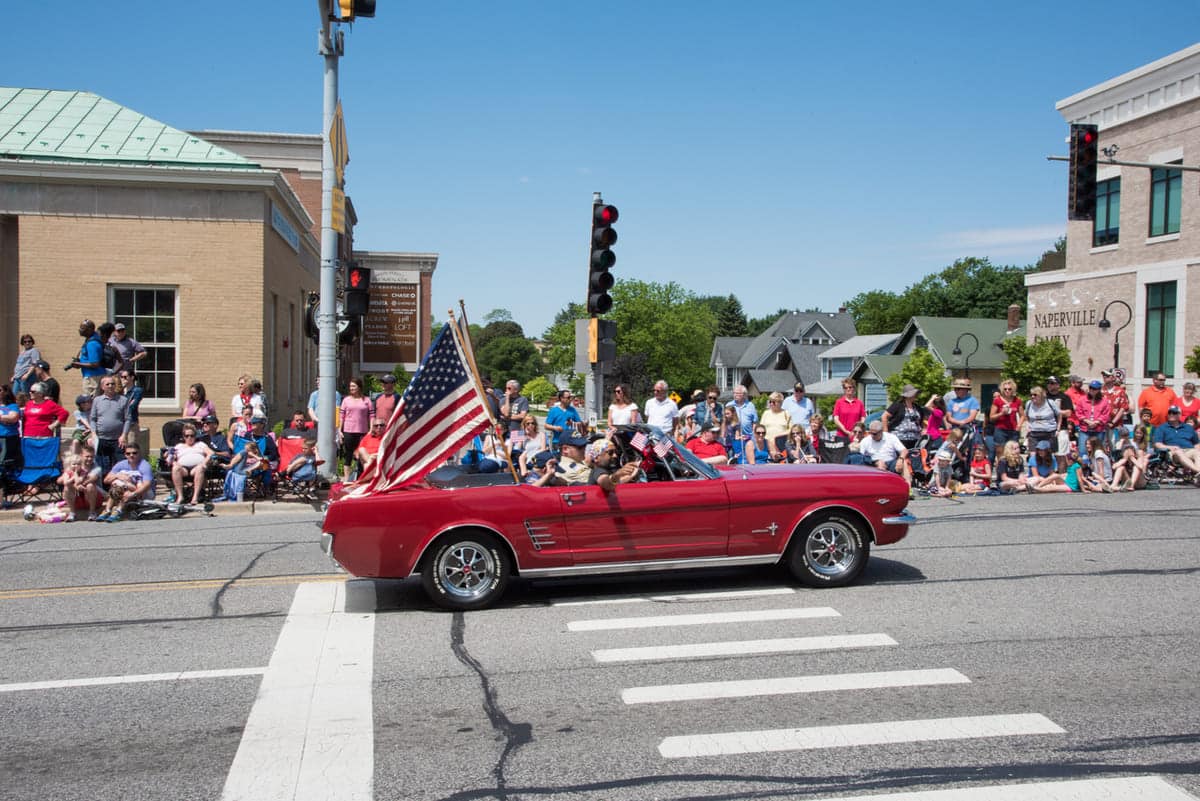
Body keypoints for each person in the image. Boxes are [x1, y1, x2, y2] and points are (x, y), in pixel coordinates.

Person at [97, 442, 155, 522]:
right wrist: (117, 476)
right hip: (126, 490)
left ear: (139, 453)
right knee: (116, 482)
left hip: (144, 493)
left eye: (134, 453)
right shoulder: (121, 464)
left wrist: (132, 494)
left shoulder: (144, 465)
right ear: (125, 455)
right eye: (128, 453)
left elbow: (147, 485)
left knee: (122, 485)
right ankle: (108, 510)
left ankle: (118, 510)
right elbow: (106, 480)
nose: (131, 455)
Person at [89, 376, 131, 476]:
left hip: (118, 440)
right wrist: (93, 433)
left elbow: (128, 419)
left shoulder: (123, 400)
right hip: (101, 439)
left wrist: (124, 435)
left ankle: (118, 488)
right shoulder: (97, 400)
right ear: (102, 387)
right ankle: (104, 489)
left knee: (120, 465)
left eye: (112, 384)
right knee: (103, 466)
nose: (110, 386)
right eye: (107, 384)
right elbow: (93, 419)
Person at [859, 420, 914, 487]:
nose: (872, 435)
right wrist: (874, 462)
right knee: (880, 464)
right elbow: (860, 456)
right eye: (870, 433)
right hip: (873, 464)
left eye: (874, 434)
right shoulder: (865, 441)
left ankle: (908, 488)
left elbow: (904, 450)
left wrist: (901, 459)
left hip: (891, 462)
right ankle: (882, 488)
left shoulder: (891, 437)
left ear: (881, 431)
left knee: (904, 463)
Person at [170, 424, 215, 505]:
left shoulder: (200, 444)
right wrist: (174, 462)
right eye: (187, 436)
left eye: (192, 435)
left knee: (200, 468)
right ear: (184, 437)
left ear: (195, 436)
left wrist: (204, 462)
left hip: (197, 468)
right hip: (183, 469)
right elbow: (171, 457)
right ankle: (180, 496)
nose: (189, 438)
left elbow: (211, 453)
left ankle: (195, 497)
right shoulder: (179, 446)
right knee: (175, 468)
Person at [58, 443, 103, 521]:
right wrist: (68, 476)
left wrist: (76, 483)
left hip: (93, 497)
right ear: (81, 455)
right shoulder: (75, 466)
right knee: (67, 487)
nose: (89, 459)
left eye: (91, 457)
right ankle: (72, 513)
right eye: (87, 456)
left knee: (90, 485)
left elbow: (91, 479)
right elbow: (60, 480)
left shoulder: (96, 467)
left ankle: (92, 512)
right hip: (77, 497)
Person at [1151, 405, 1200, 475]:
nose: (1171, 414)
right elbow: (1158, 444)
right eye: (1169, 412)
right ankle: (1198, 471)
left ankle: (1198, 475)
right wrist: (1170, 447)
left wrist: (1197, 449)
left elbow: (1196, 443)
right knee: (1179, 452)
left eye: (1174, 413)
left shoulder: (1188, 428)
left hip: (1189, 450)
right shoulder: (1162, 428)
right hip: (1173, 453)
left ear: (1179, 415)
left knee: (1197, 453)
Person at [339, 377, 372, 482]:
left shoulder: (367, 400)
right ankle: (347, 479)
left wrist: (371, 430)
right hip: (348, 431)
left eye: (353, 386)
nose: (351, 388)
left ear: (359, 387)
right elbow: (341, 416)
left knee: (361, 455)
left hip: (362, 431)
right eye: (350, 386)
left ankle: (361, 478)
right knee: (348, 455)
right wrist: (339, 430)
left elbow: (372, 416)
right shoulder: (346, 400)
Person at [882, 384, 928, 453]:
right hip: (899, 439)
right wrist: (885, 432)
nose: (915, 396)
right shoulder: (897, 405)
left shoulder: (917, 407)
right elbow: (884, 416)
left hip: (915, 439)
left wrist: (924, 429)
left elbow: (922, 421)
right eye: (914, 394)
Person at [987, 380, 1023, 469]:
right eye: (1005, 389)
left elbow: (1022, 415)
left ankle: (1014, 471)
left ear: (1013, 389)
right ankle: (1001, 472)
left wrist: (1019, 425)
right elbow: (991, 417)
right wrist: (1001, 413)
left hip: (1013, 430)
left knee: (1014, 451)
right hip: (1000, 429)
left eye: (1009, 389)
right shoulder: (997, 401)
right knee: (1000, 452)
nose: (1007, 391)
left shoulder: (1017, 401)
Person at [69, 319, 106, 395]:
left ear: (89, 330)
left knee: (89, 402)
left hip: (93, 378)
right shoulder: (91, 339)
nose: (79, 330)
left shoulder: (92, 343)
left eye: (82, 328)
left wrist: (79, 364)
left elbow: (95, 364)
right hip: (91, 376)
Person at [1074, 379, 1111, 454]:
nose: (1091, 390)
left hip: (1098, 430)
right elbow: (1078, 413)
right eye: (1090, 387)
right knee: (1082, 451)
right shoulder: (1082, 400)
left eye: (1094, 388)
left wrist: (1096, 422)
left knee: (1098, 451)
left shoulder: (1104, 401)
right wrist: (1088, 421)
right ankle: (1084, 465)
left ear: (1099, 390)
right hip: (1084, 430)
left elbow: (1106, 414)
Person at [1024, 386, 1061, 456]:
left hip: (1049, 433)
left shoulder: (1050, 403)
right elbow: (1026, 415)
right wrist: (1027, 424)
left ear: (1041, 395)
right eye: (1031, 395)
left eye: (1035, 395)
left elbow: (1059, 415)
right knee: (1033, 456)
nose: (1032, 396)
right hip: (1034, 433)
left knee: (1049, 457)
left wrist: (1058, 428)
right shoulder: (1029, 404)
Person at [760, 391, 791, 459]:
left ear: (780, 403)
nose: (771, 404)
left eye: (773, 402)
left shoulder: (786, 413)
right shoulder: (766, 413)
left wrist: (777, 436)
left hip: (781, 444)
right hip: (767, 444)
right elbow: (760, 428)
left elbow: (791, 429)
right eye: (770, 402)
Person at [0, 385, 20, 475]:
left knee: (4, 460)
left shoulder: (12, 406)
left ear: (5, 392)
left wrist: (5, 418)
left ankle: (6, 481)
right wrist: (4, 418)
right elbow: (8, 418)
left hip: (8, 437)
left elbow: (13, 418)